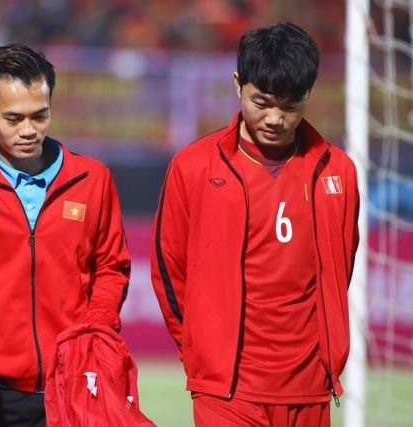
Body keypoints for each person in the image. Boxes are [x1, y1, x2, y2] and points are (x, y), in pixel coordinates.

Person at [151, 22, 359, 427]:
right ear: (237, 84)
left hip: (309, 385)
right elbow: (168, 269)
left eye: (290, 105)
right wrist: (200, 350)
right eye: (262, 102)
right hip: (227, 389)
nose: (276, 118)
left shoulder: (339, 171)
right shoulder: (192, 167)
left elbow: (339, 268)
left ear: (309, 96)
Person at [0, 43, 131, 426]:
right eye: (13, 118)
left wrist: (93, 337)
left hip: (73, 386)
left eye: (40, 116)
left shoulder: (92, 179)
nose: (28, 130)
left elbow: (111, 267)